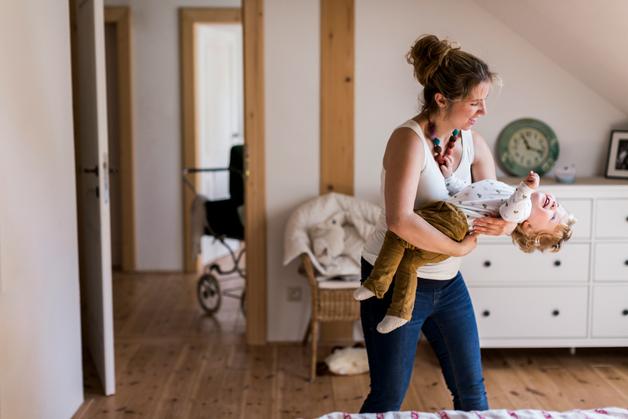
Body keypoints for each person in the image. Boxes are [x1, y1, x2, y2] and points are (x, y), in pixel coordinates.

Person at [359, 34, 514, 413]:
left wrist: (506, 226)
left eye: (485, 102)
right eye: (474, 103)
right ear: (442, 99)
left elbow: (495, 202)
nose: (483, 112)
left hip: (448, 283)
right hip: (395, 278)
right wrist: (462, 247)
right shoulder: (408, 141)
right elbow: (401, 220)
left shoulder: (474, 144)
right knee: (387, 398)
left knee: (472, 393)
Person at [355, 171, 575, 334]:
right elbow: (471, 191)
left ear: (528, 227)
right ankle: (400, 312)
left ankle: (377, 283)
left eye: (553, 217)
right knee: (409, 262)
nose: (555, 206)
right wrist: (450, 176)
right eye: (559, 206)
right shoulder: (510, 193)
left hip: (453, 223)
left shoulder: (520, 207)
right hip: (449, 218)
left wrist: (526, 189)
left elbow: (512, 211)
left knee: (398, 235)